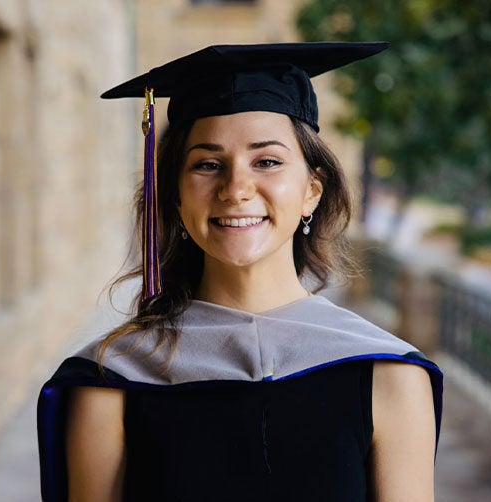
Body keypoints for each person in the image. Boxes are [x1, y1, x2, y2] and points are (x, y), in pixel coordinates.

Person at [37, 42, 443, 502]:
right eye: (208, 165)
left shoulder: (388, 375)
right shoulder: (114, 379)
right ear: (175, 196)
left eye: (267, 161)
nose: (236, 189)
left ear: (312, 190)